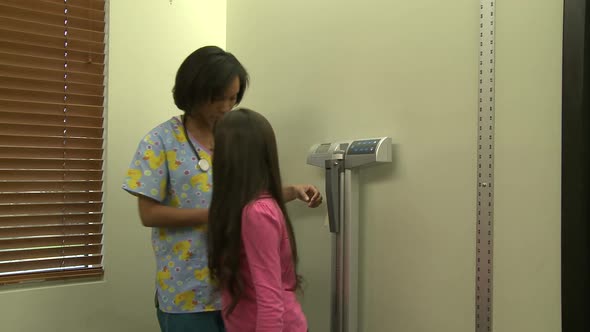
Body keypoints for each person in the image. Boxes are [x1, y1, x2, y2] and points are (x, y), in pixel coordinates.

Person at [121, 46, 322, 332]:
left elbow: (248, 193)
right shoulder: (160, 141)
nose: (226, 107)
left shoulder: (233, 135)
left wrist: (289, 191)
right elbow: (148, 214)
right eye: (219, 98)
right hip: (188, 291)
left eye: (233, 98)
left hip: (240, 292)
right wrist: (217, 215)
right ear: (195, 91)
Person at [208, 108, 307, 332]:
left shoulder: (256, 214)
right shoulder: (244, 207)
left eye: (217, 147)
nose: (211, 151)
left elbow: (270, 301)